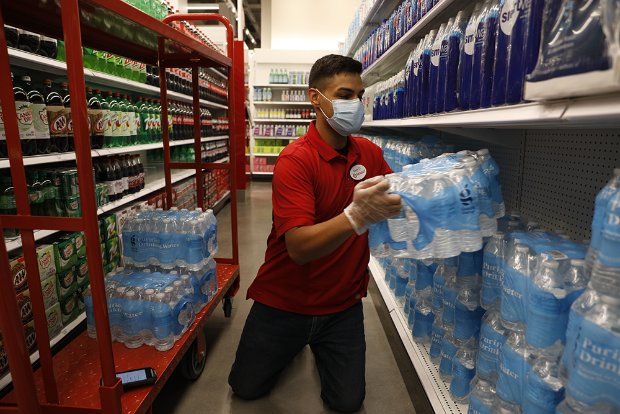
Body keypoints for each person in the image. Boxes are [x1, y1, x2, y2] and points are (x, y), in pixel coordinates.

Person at [228, 54, 402, 413]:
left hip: (342, 306)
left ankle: (316, 348)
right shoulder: (295, 160)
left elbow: (398, 196)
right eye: (345, 95)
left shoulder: (368, 153)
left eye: (360, 95)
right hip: (285, 302)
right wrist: (354, 216)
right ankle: (288, 348)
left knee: (347, 403)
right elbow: (299, 248)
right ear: (315, 98)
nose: (356, 105)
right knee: (246, 389)